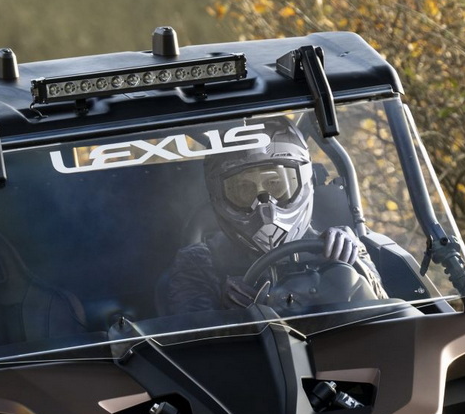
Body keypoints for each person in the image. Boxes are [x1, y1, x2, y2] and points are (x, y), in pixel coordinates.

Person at [162, 119, 383, 315]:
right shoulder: (198, 262)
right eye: (244, 189)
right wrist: (224, 310)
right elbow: (192, 342)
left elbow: (386, 315)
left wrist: (355, 262)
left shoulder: (341, 243)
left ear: (304, 181)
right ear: (219, 196)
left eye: (275, 184)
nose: (265, 207)